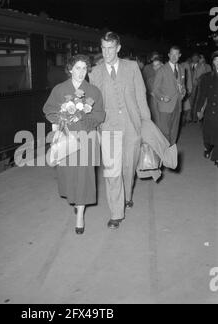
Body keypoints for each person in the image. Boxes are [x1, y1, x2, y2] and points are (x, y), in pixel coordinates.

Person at [89, 31, 151, 229]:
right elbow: (94, 101)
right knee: (112, 171)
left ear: (118, 48)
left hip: (132, 125)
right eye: (103, 48)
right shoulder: (95, 72)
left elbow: (141, 96)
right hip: (108, 127)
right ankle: (116, 213)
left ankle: (128, 195)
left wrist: (147, 123)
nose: (106, 53)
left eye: (110, 48)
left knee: (129, 166)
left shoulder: (132, 67)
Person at [43, 54, 105, 234]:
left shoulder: (93, 91)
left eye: (84, 68)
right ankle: (76, 201)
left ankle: (80, 215)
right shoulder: (59, 89)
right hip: (66, 139)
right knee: (70, 176)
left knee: (84, 177)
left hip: (86, 139)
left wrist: (84, 118)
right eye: (77, 68)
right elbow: (48, 109)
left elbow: (100, 114)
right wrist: (61, 118)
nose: (81, 72)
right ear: (70, 69)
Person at [152, 46, 186, 145]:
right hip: (165, 106)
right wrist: (162, 97)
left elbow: (182, 86)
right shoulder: (162, 69)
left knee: (174, 132)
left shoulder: (182, 69)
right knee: (165, 132)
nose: (174, 56)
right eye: (172, 54)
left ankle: (171, 153)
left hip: (178, 105)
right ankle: (165, 153)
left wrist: (183, 92)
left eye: (176, 54)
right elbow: (155, 90)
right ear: (169, 55)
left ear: (179, 56)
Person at [196, 51, 218, 167]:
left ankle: (217, 157)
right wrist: (199, 110)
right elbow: (202, 95)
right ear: (213, 62)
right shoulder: (207, 77)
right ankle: (208, 148)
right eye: (216, 60)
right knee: (208, 136)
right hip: (210, 110)